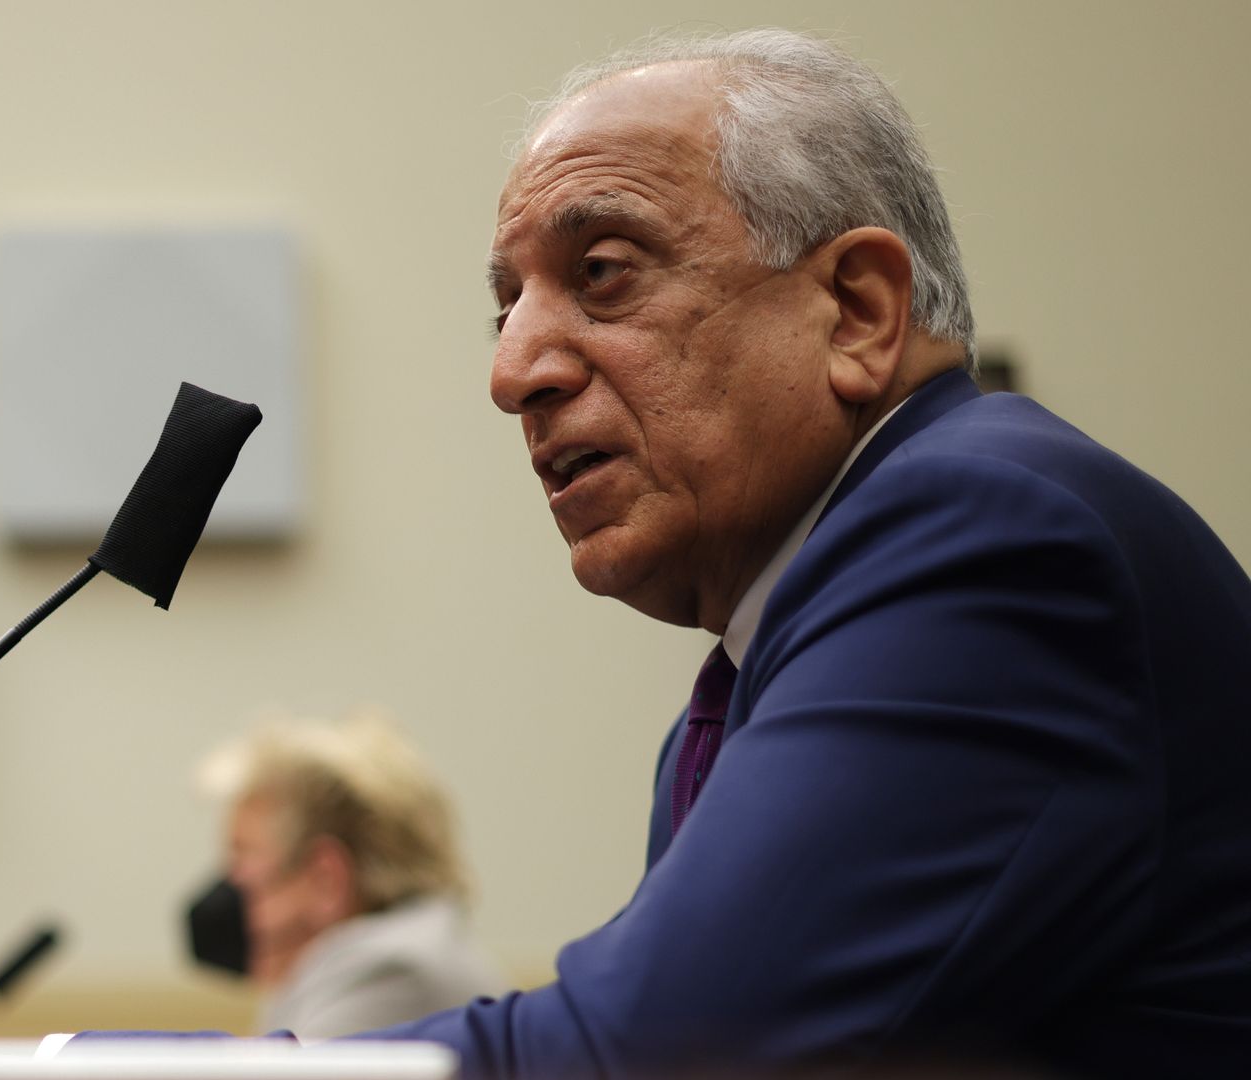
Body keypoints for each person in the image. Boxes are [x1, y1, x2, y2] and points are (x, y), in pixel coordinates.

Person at [336, 28, 1251, 1077]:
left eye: (602, 273)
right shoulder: (745, 675)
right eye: (507, 310)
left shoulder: (987, 539)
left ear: (857, 312)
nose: (513, 372)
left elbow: (657, 1052)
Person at [184, 714, 503, 1038]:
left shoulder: (389, 973)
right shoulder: (411, 949)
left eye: (244, 860)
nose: (229, 888)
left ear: (325, 880)